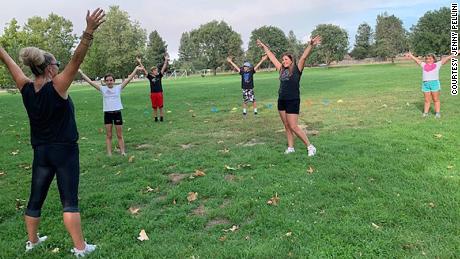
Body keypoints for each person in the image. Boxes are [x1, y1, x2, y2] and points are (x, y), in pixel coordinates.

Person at [0, 9, 105, 257]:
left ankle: (33, 241)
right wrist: (88, 32)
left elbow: (9, 62)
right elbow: (77, 60)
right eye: (57, 63)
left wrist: (1, 51)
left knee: (36, 197)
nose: (60, 66)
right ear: (48, 68)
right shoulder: (57, 86)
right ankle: (80, 248)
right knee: (69, 199)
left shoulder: (25, 87)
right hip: (65, 151)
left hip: (41, 152)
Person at [257, 36, 321, 156]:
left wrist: (310, 45)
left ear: (291, 60)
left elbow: (304, 57)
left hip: (293, 100)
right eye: (283, 59)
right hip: (282, 100)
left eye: (286, 59)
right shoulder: (281, 69)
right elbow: (271, 56)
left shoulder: (297, 69)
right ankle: (291, 147)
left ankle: (310, 146)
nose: (284, 61)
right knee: (286, 125)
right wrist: (264, 46)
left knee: (293, 126)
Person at [78, 66, 141, 156]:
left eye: (111, 80)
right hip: (107, 114)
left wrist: (136, 69)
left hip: (117, 114)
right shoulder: (103, 89)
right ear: (105, 81)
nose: (109, 82)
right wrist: (81, 73)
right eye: (107, 80)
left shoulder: (118, 88)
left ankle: (123, 152)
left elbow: (129, 79)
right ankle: (109, 153)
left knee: (119, 135)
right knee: (109, 135)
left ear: (114, 81)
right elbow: (90, 82)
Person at [405, 51, 455, 118]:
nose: (428, 60)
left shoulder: (437, 64)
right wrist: (411, 55)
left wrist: (455, 53)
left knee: (435, 99)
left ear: (434, 59)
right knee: (426, 100)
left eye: (430, 59)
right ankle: (425, 113)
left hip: (434, 84)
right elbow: (417, 60)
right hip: (425, 84)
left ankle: (437, 113)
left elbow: (447, 58)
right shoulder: (424, 65)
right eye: (427, 59)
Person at [137, 54, 169, 122]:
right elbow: (144, 69)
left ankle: (161, 117)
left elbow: (163, 68)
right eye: (155, 70)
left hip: (159, 93)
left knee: (161, 106)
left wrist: (166, 60)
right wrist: (140, 62)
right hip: (153, 94)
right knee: (154, 107)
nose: (156, 71)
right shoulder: (150, 77)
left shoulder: (159, 76)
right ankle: (155, 118)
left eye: (156, 70)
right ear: (152, 71)